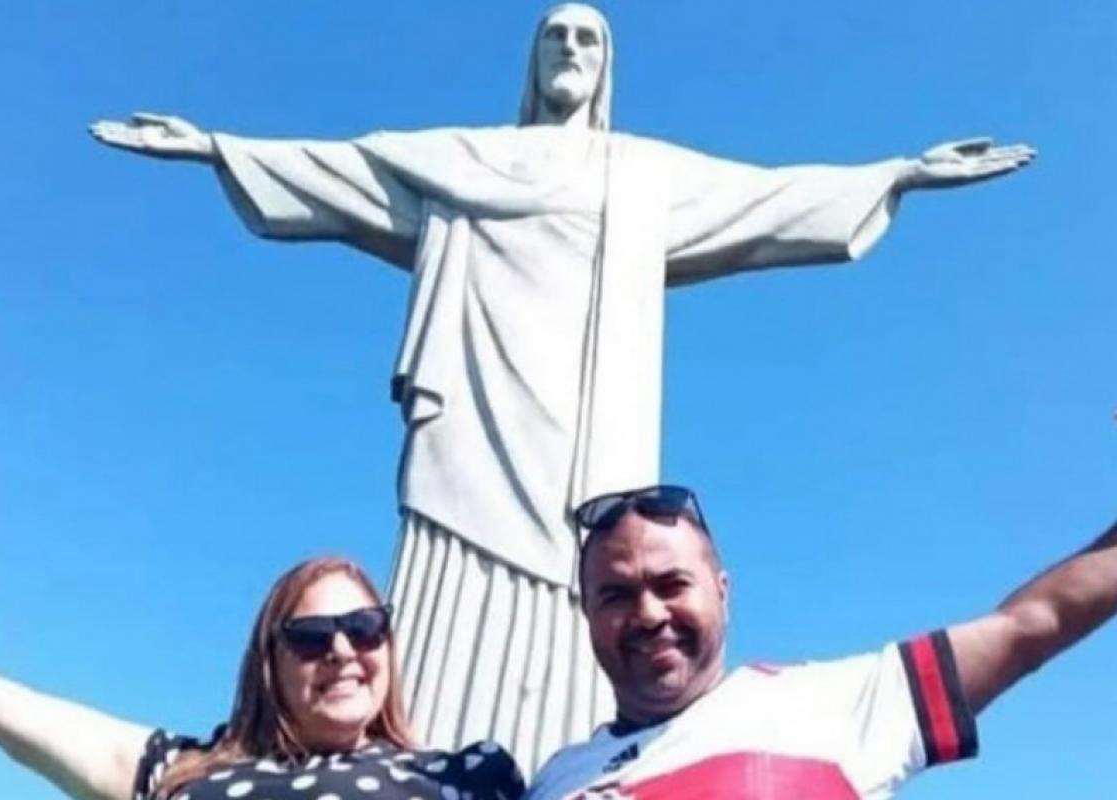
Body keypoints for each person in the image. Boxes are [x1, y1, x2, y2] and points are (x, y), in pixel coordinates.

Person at [88, 3, 1034, 768]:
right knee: (450, 595)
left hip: (592, 443)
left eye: (588, 38)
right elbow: (346, 168)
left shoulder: (642, 173)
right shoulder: (462, 159)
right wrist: (217, 147)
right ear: (533, 61)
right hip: (471, 428)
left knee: (601, 585)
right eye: (556, 38)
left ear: (606, 64)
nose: (571, 51)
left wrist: (899, 174)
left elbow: (769, 196)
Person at [527, 485, 1117, 798]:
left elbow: (1030, 625)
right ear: (588, 613)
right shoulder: (556, 779)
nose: (649, 613)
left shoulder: (833, 705)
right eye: (617, 595)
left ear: (722, 592)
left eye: (672, 585)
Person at [0, 557, 524, 800]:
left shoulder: (467, 776)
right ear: (270, 663)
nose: (341, 650)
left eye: (364, 627)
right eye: (311, 637)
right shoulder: (180, 769)